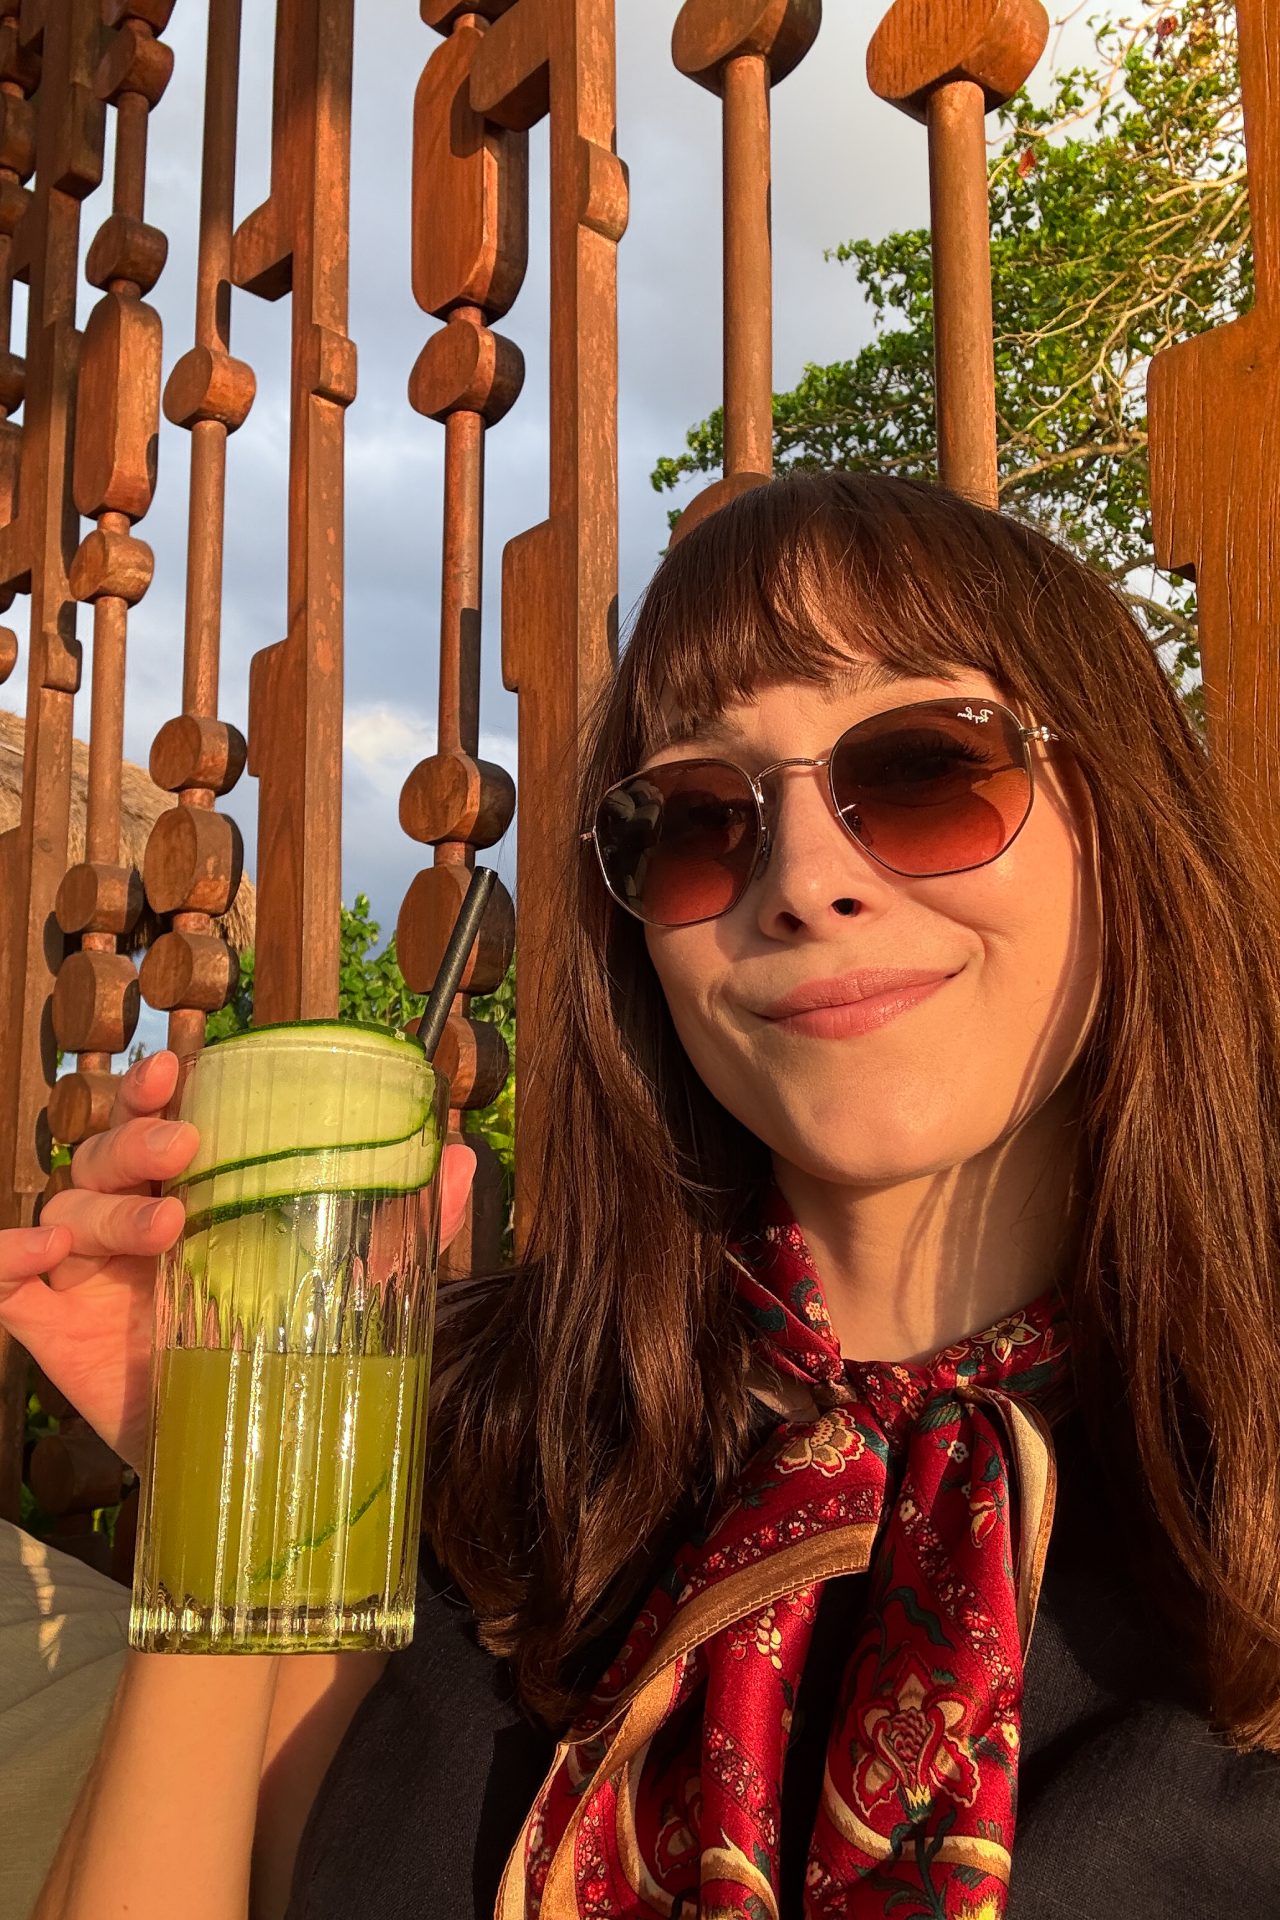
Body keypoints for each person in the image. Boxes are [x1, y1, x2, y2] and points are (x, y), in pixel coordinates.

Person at [4, 469, 1280, 1920]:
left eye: (926, 766)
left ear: (1125, 820)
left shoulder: (1237, 1472)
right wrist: (231, 1459)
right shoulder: (472, 1439)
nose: (803, 878)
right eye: (700, 818)